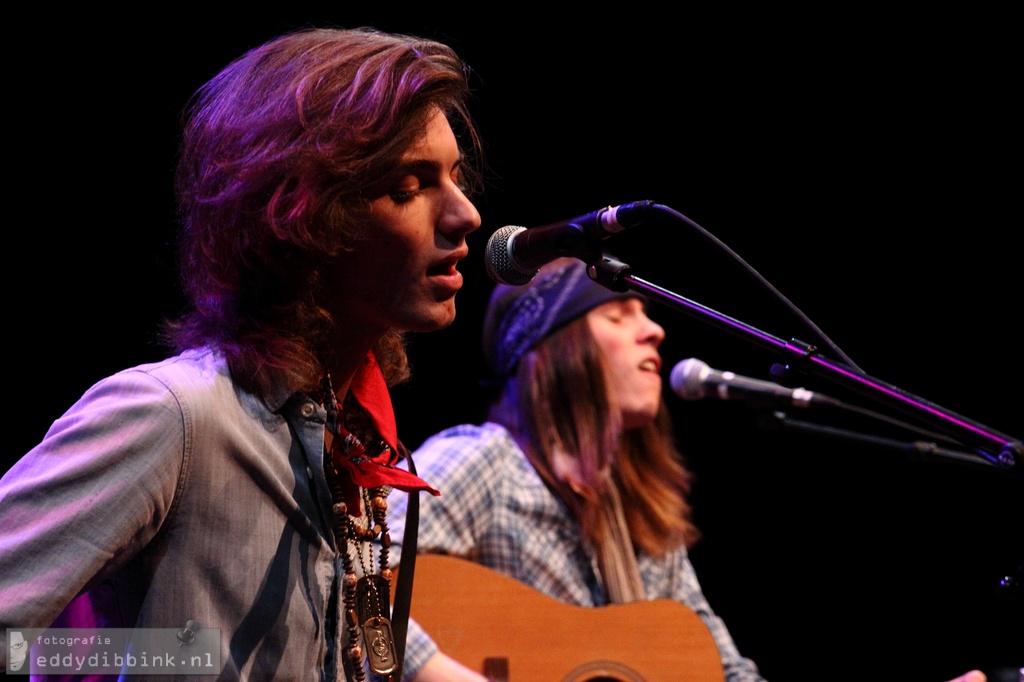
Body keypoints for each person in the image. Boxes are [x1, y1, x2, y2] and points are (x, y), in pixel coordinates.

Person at [0, 26, 482, 681]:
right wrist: (137, 658)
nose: (466, 215)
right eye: (409, 185)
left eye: (455, 177)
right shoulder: (172, 415)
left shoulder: (345, 442)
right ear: (304, 214)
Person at [384, 257, 989, 682]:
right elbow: (348, 582)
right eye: (620, 315)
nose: (655, 329)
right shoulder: (484, 463)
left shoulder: (643, 524)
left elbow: (722, 672)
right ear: (558, 350)